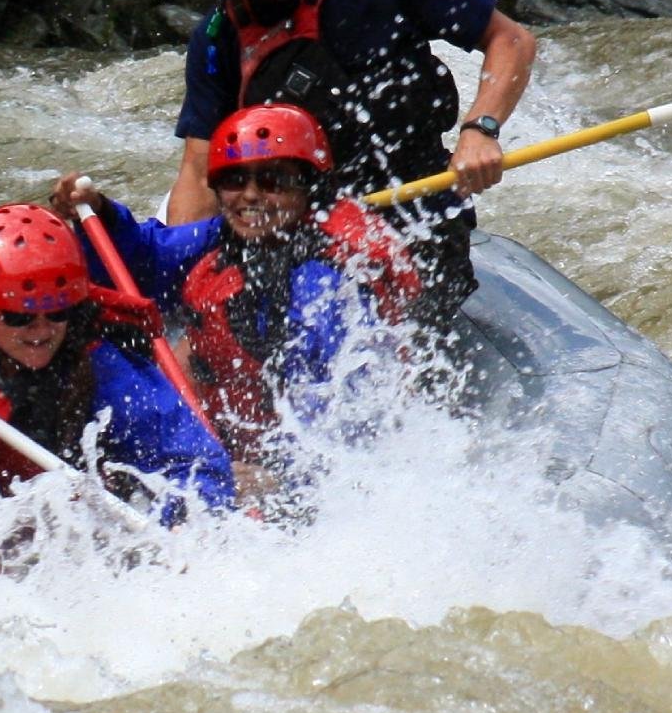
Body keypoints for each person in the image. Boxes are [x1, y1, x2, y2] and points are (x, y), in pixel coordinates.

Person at [167, 0, 537, 324]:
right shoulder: (219, 30)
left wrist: (480, 129)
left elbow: (512, 40)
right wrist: (190, 287)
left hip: (408, 228)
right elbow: (199, 171)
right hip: (286, 237)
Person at [56, 105, 419, 502]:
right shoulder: (225, 237)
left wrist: (275, 481)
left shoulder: (326, 287)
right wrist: (104, 214)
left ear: (308, 187)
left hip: (306, 479)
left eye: (272, 181)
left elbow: (345, 426)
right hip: (231, 448)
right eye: (233, 179)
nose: (249, 195)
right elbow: (145, 260)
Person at [0, 203, 235, 523]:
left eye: (58, 313)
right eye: (20, 316)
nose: (41, 330)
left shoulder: (105, 366)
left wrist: (177, 521)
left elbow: (200, 465)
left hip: (89, 513)